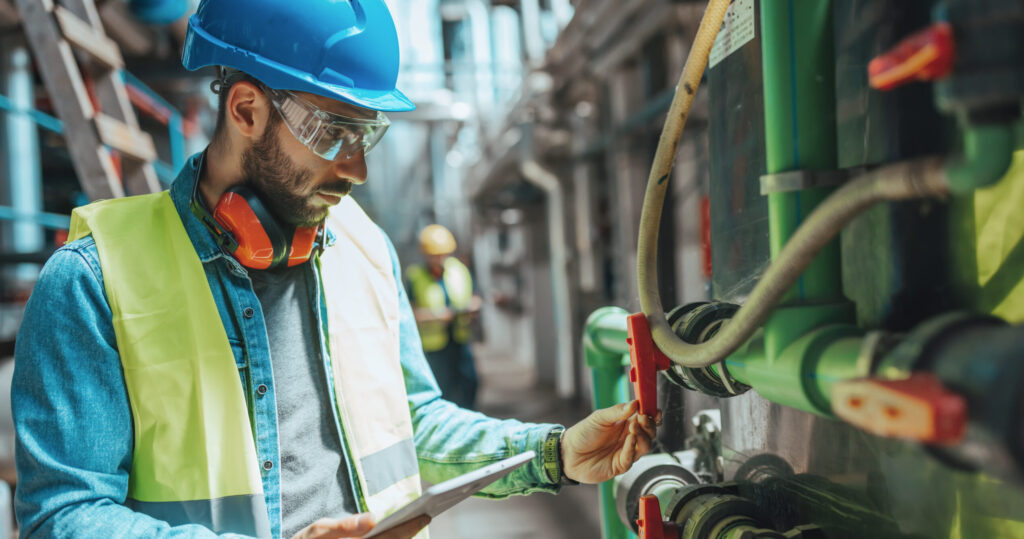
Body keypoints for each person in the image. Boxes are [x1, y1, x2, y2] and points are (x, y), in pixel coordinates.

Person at [10, 1, 659, 538]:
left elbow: (413, 421)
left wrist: (551, 453)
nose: (356, 171)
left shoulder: (365, 245)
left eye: (367, 135)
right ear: (245, 110)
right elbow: (62, 516)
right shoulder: (92, 282)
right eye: (332, 132)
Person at [406, 225, 481, 409]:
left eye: (443, 254)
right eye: (434, 255)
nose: (439, 259)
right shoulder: (415, 277)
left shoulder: (459, 271)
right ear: (425, 254)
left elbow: (475, 297)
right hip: (435, 347)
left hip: (460, 340)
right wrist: (437, 316)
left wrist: (472, 307)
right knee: (443, 390)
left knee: (469, 384)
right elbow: (409, 313)